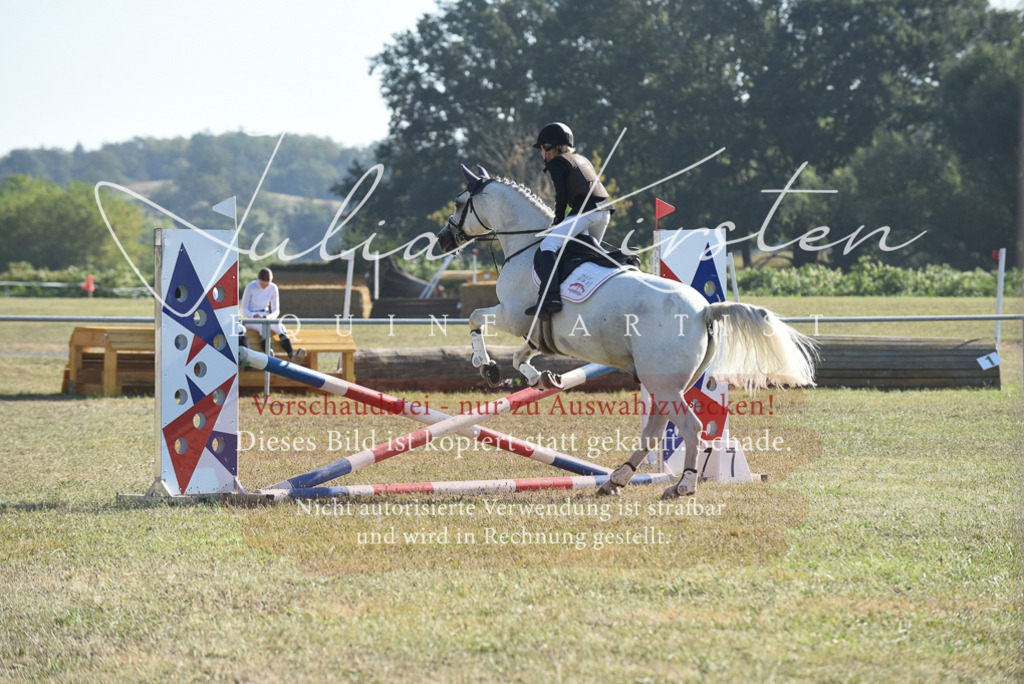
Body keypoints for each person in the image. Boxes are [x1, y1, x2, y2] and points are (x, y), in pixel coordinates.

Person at [526, 121, 613, 317]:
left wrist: (557, 220)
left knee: (548, 245)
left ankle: (551, 298)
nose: (542, 154)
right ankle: (620, 267)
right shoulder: (581, 159)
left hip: (586, 212)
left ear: (551, 147)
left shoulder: (558, 162)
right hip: (604, 211)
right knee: (590, 255)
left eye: (543, 149)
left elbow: (562, 197)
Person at [239, 267, 306, 363]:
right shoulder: (250, 287)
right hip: (251, 317)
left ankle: (292, 355)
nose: (264, 286)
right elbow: (243, 308)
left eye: (267, 284)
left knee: (280, 326)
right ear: (258, 278)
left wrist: (270, 316)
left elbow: (276, 310)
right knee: (262, 327)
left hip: (266, 315)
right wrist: (253, 315)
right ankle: (268, 354)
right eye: (262, 283)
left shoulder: (273, 288)